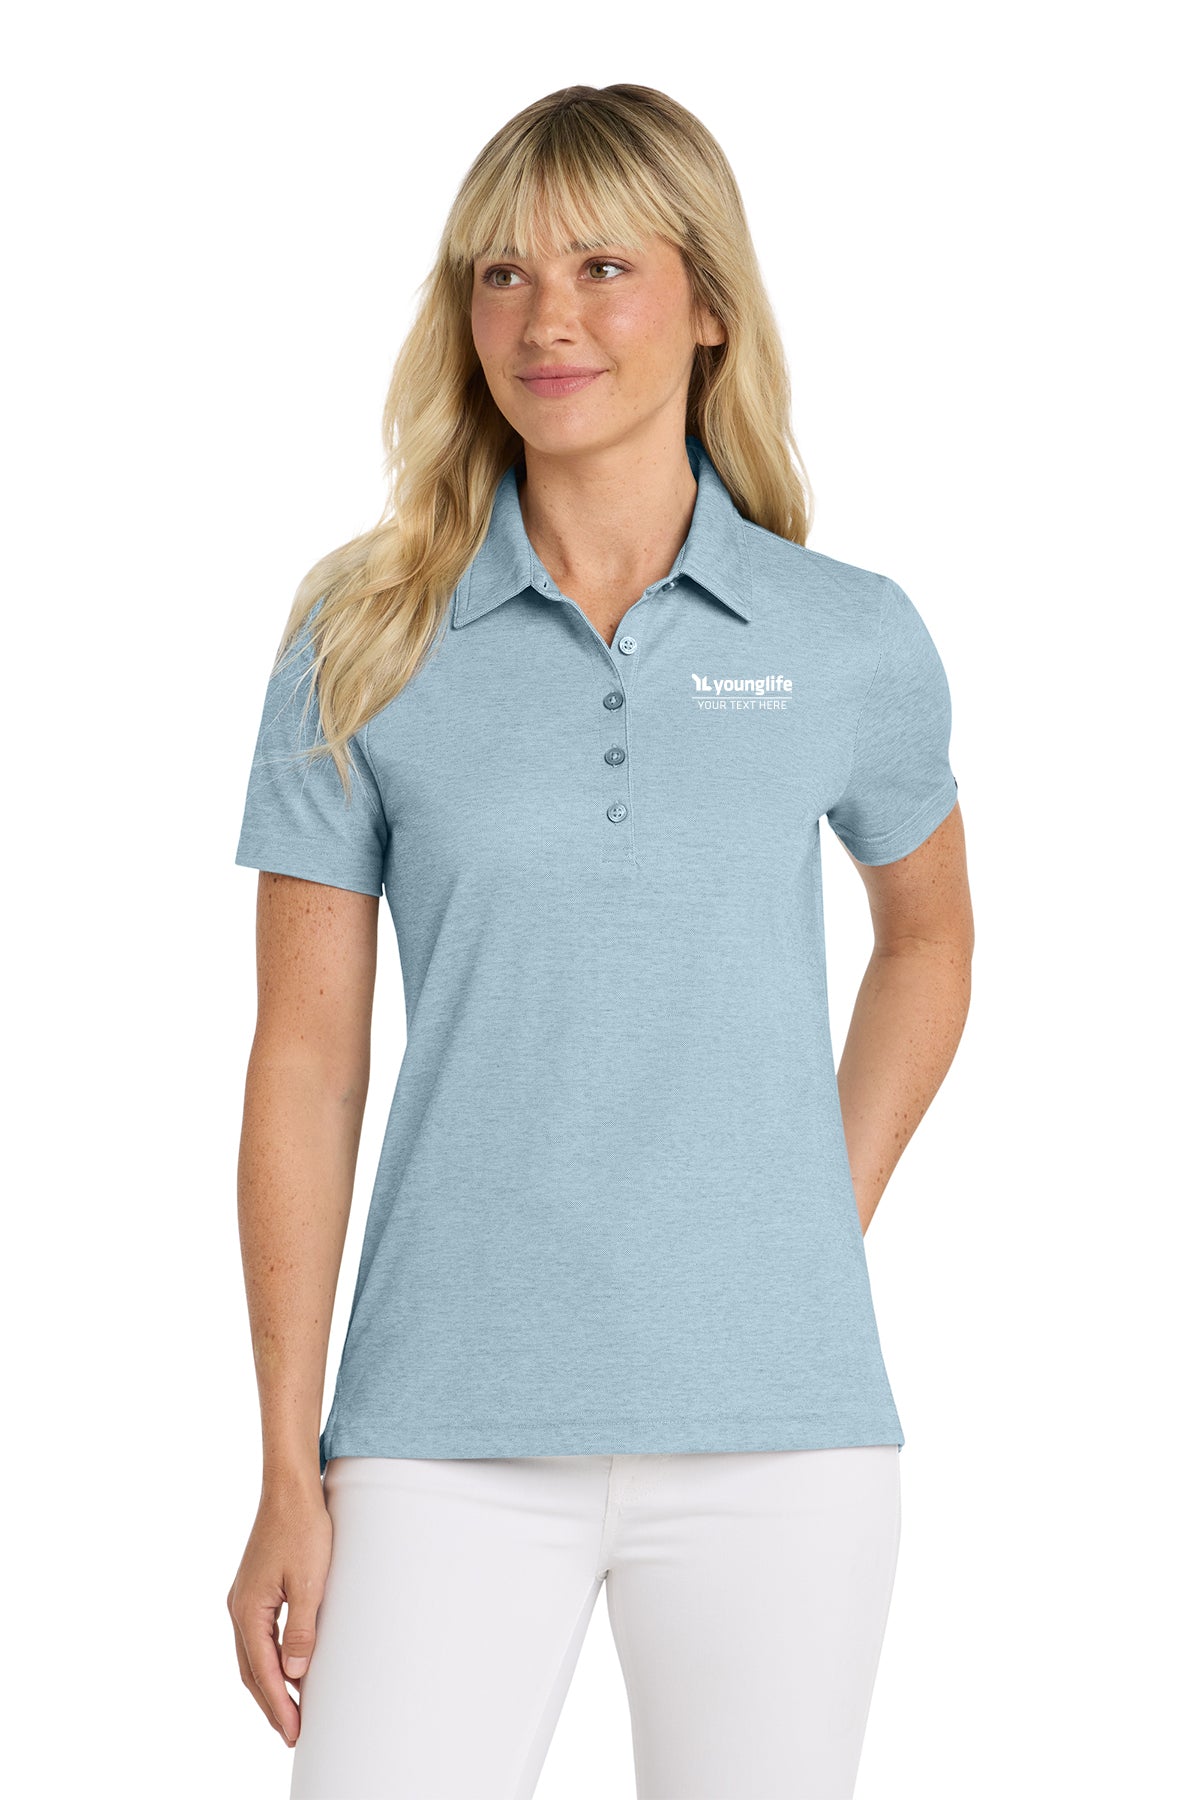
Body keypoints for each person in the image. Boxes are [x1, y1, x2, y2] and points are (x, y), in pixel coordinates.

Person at [226, 82, 974, 1800]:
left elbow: (930, 941)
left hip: (782, 1434)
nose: (544, 317)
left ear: (709, 305)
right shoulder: (363, 631)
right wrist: (281, 1465)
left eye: (603, 266)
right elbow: (306, 1060)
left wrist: (815, 1203)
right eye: (500, 274)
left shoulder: (846, 636)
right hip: (438, 1425)